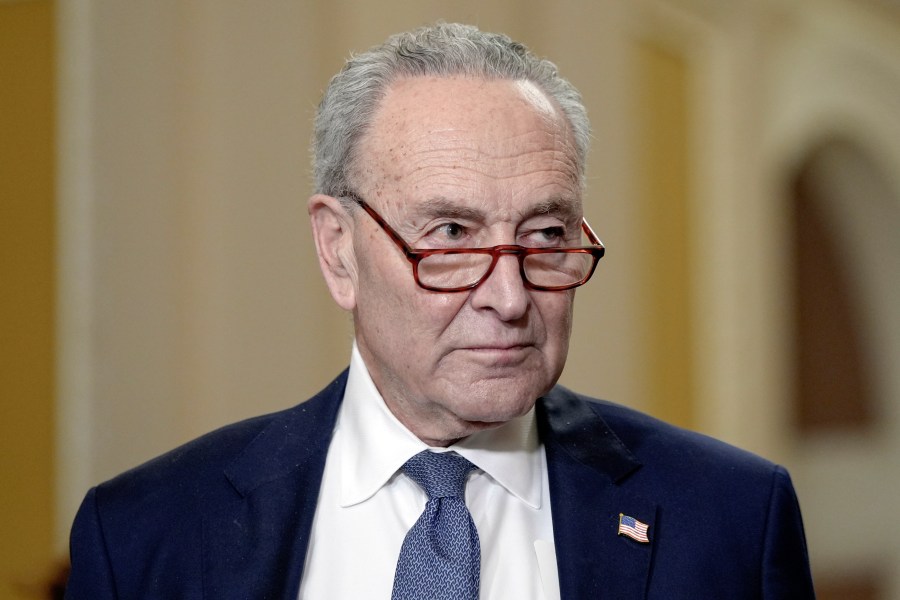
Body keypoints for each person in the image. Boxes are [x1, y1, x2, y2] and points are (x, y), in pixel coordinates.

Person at [64, 22, 815, 599]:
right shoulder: (145, 536)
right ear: (339, 251)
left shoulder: (729, 521)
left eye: (546, 235)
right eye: (451, 235)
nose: (511, 296)